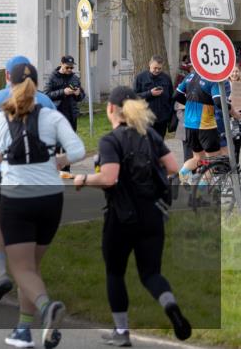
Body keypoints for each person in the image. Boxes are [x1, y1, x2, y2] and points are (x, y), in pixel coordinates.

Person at [0, 62, 85, 349]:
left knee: (21, 269)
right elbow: (77, 150)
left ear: (8, 83)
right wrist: (57, 161)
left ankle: (48, 309)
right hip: (51, 199)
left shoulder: (0, 120)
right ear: (36, 86)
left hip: (17, 199)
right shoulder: (51, 117)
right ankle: (23, 330)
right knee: (31, 268)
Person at [74, 86, 191, 346]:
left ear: (111, 109)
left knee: (115, 273)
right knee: (151, 274)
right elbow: (172, 167)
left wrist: (83, 177)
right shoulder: (149, 134)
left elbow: (109, 178)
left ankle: (121, 331)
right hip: (152, 214)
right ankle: (170, 305)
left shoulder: (110, 141)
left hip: (121, 217)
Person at [0, 56, 56, 304]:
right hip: (42, 175)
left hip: (6, 169)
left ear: (7, 76)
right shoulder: (45, 100)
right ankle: (30, 291)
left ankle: (1, 273)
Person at [174, 69, 229, 182]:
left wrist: (190, 103)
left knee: (197, 158)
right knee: (213, 160)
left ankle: (179, 179)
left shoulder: (190, 76)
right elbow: (219, 102)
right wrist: (231, 109)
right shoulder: (212, 78)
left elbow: (176, 95)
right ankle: (201, 193)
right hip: (206, 126)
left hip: (189, 125)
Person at [44, 55, 84, 178]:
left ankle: (66, 169)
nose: (70, 70)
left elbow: (82, 96)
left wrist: (78, 94)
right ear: (61, 64)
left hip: (71, 115)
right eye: (67, 67)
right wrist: (63, 92)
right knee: (56, 143)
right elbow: (46, 94)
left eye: (72, 68)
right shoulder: (53, 77)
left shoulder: (74, 78)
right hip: (56, 114)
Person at [133, 55, 175, 138]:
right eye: (155, 68)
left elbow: (171, 97)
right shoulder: (140, 78)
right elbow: (134, 97)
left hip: (162, 119)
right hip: (146, 118)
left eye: (159, 68)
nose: (157, 70)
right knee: (147, 145)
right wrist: (149, 93)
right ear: (149, 64)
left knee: (159, 144)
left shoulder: (166, 78)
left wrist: (169, 115)